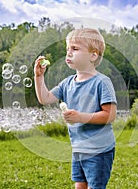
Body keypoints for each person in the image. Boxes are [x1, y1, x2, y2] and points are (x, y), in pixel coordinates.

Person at [34, 28, 117, 189]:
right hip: (79, 148)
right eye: (67, 49)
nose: (69, 53)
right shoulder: (67, 83)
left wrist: (80, 117)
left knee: (95, 186)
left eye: (75, 49)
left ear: (93, 55)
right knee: (79, 185)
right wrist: (39, 77)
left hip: (99, 150)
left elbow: (110, 115)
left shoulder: (101, 82)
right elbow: (45, 99)